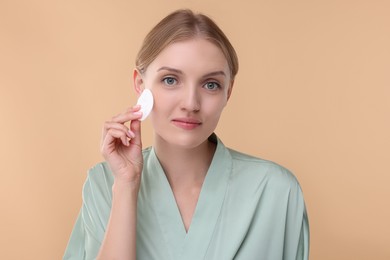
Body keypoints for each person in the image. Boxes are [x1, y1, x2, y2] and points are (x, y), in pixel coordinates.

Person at [64, 9, 309, 260]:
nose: (191, 103)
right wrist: (126, 186)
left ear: (228, 92)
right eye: (170, 80)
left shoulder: (276, 191)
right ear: (140, 85)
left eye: (210, 84)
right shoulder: (104, 184)